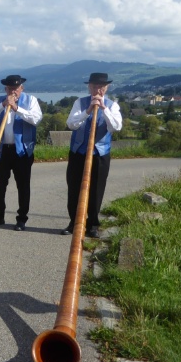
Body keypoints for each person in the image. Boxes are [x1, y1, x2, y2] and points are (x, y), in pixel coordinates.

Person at [61, 72, 123, 238]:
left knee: (96, 189)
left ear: (106, 88)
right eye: (94, 86)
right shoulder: (80, 103)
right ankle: (73, 223)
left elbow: (116, 127)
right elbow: (71, 124)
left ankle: (93, 225)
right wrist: (88, 110)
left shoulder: (112, 105)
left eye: (101, 87)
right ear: (89, 87)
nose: (97, 90)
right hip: (78, 152)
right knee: (74, 188)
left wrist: (104, 108)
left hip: (100, 153)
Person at [0, 75, 42, 231]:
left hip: (22, 151)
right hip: (2, 150)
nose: (12, 91)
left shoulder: (31, 101)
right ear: (5, 89)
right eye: (9, 89)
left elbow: (36, 119)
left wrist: (17, 108)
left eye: (15, 88)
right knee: (0, 185)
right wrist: (2, 105)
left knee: (23, 186)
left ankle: (21, 219)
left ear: (21, 88)